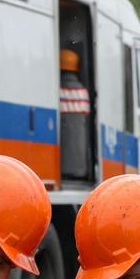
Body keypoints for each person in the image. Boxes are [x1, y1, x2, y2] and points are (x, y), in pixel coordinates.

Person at [59, 48, 92, 182]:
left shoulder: (57, 90)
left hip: (61, 165)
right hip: (80, 166)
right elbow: (86, 116)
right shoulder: (82, 91)